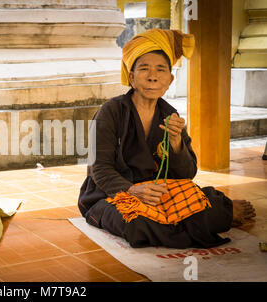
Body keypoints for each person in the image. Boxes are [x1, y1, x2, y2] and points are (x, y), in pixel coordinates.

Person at [78, 29, 256, 249]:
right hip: (114, 195)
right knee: (136, 224)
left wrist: (176, 143)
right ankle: (198, 222)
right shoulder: (111, 112)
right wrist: (133, 190)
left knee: (209, 203)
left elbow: (186, 175)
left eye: (160, 69)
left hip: (157, 194)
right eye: (144, 69)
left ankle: (180, 223)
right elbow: (100, 170)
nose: (153, 76)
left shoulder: (170, 114)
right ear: (132, 77)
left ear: (170, 80)